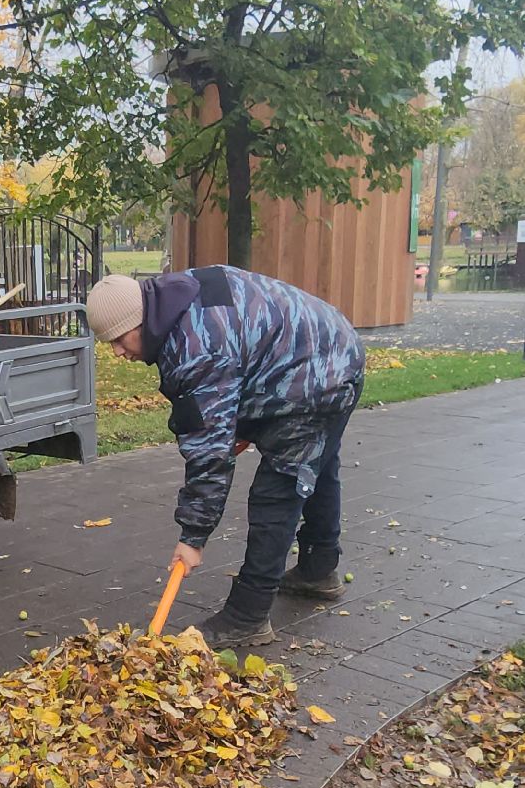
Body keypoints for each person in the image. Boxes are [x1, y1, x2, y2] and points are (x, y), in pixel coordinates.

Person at [84, 268, 365, 648]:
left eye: (119, 339)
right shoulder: (177, 300)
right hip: (326, 347)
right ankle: (318, 569)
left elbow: (209, 455)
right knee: (315, 462)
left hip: (320, 372)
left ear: (139, 320)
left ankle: (248, 615)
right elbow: (243, 357)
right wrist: (243, 425)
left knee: (280, 486)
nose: (117, 352)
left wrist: (193, 537)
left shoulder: (195, 348)